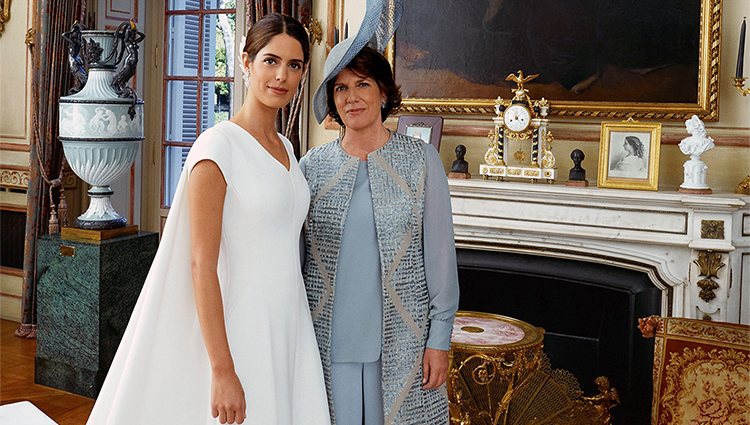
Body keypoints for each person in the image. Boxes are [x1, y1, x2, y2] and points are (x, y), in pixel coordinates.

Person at [87, 13, 330, 425]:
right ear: (246, 61)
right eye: (270, 61)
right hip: (240, 327)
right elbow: (201, 264)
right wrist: (221, 370)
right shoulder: (217, 148)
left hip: (289, 322)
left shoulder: (288, 148)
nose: (281, 76)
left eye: (294, 65)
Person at [301, 39, 460, 424]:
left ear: (384, 91)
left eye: (363, 84)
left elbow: (440, 258)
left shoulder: (421, 160)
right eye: (340, 87)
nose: (351, 97)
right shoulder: (310, 167)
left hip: (399, 344)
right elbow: (296, 259)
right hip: (324, 342)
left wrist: (439, 339)